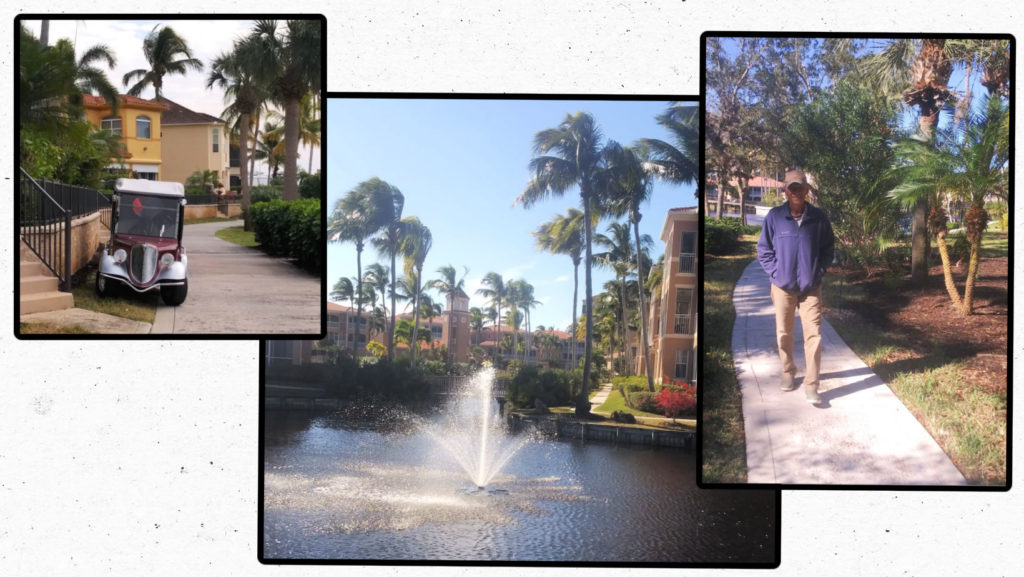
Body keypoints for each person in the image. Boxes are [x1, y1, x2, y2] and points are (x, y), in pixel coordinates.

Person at [756, 169, 835, 403]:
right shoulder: (774, 217)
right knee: (784, 334)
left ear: (807, 190)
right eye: (792, 187)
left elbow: (828, 250)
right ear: (785, 190)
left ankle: (812, 385)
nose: (796, 192)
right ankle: (788, 372)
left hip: (811, 288)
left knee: (815, 336)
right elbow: (764, 250)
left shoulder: (819, 218)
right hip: (782, 287)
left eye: (800, 187)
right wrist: (775, 272)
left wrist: (818, 272)